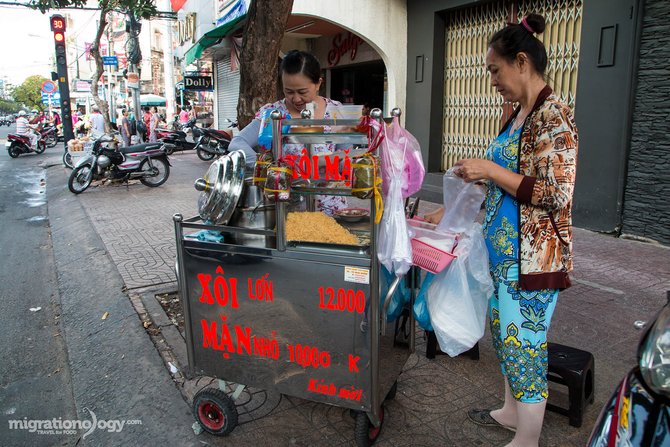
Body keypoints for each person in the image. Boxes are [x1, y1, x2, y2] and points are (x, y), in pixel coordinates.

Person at [424, 14, 578, 447]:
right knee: (505, 337)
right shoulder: (518, 116)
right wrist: (450, 210)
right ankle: (511, 412)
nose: (491, 80)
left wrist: (490, 168)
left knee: (524, 346)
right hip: (503, 257)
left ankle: (527, 439)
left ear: (522, 62)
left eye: (495, 69)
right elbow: (501, 184)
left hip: (531, 261)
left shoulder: (555, 117)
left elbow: (555, 194)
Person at [229, 49, 353, 215]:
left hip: (331, 206)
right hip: (286, 208)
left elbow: (348, 154)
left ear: (318, 83)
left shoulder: (338, 110)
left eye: (302, 92)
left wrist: (344, 166)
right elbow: (237, 143)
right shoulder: (272, 113)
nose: (296, 98)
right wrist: (267, 168)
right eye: (289, 91)